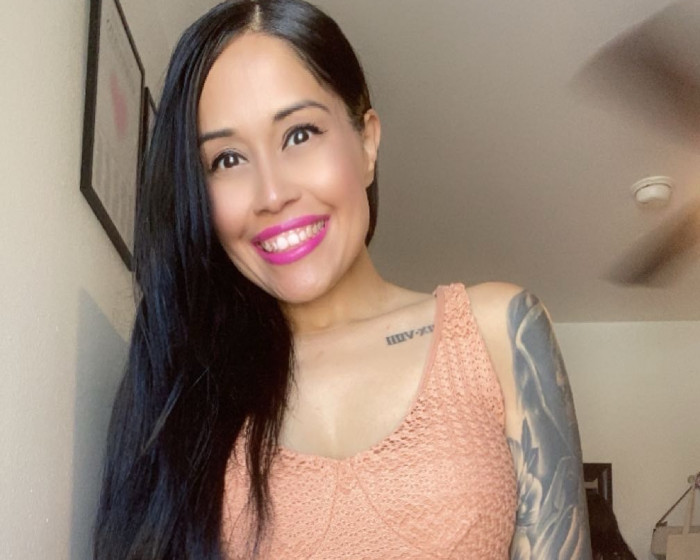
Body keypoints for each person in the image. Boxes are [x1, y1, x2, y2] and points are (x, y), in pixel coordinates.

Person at [94, 1, 592, 558]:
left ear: (367, 142)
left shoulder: (498, 330)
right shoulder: (183, 382)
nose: (272, 194)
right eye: (227, 159)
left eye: (299, 134)